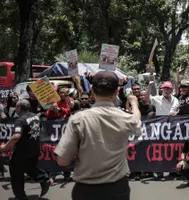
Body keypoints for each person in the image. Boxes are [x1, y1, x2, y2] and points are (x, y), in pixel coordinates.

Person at [54, 71, 142, 200]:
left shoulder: (78, 119)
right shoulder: (125, 118)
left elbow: (63, 161)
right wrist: (134, 104)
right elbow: (136, 122)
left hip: (85, 190)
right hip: (117, 189)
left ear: (92, 91)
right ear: (116, 91)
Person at [0, 99, 50, 199]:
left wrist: (6, 146)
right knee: (29, 168)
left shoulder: (20, 120)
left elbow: (16, 136)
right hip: (35, 150)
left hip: (22, 152)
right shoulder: (35, 116)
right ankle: (44, 178)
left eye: (16, 107)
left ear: (19, 108)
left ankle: (20, 196)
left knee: (16, 172)